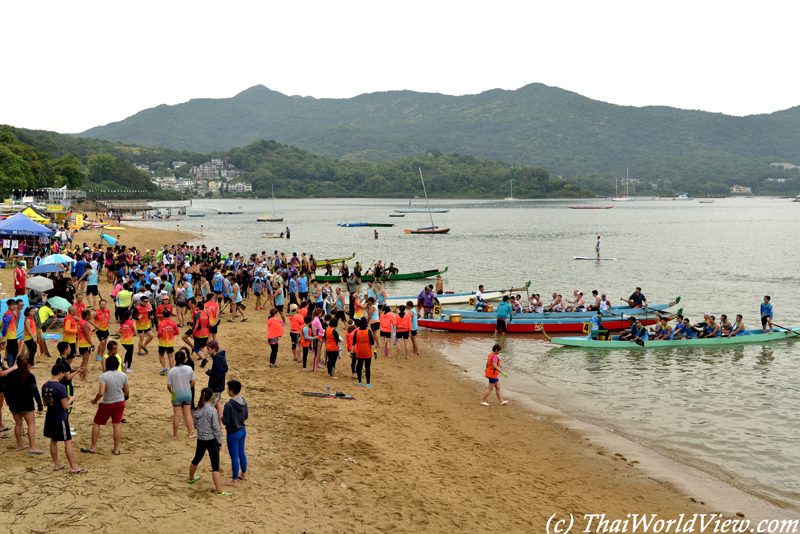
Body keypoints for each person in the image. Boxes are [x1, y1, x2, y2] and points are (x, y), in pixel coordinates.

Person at [41, 363, 85, 473]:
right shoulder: (61, 387)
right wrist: (71, 399)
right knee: (68, 441)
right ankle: (73, 467)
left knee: (53, 441)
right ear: (60, 373)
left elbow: (45, 403)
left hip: (50, 417)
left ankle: (57, 464)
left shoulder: (45, 385)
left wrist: (65, 398)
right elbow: (65, 406)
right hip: (60, 418)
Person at [187, 387, 230, 496]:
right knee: (215, 465)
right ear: (211, 397)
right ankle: (219, 491)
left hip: (201, 439)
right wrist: (219, 442)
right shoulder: (212, 410)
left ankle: (191, 478)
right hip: (211, 440)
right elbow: (216, 428)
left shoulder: (197, 410)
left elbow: (196, 426)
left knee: (196, 458)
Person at [82, 356, 128, 455]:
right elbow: (127, 392)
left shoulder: (104, 376)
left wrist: (95, 400)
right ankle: (116, 449)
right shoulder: (123, 375)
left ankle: (93, 447)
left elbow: (101, 392)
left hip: (108, 403)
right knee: (116, 425)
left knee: (97, 422)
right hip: (120, 403)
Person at [5, 355, 45, 453]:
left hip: (14, 404)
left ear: (16, 363)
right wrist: (40, 405)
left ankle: (20, 445)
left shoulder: (10, 375)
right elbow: (35, 392)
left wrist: (8, 401)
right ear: (28, 364)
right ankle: (32, 447)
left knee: (18, 424)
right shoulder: (30, 377)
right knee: (31, 424)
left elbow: (6, 390)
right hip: (26, 404)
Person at [222, 380, 248, 487]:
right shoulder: (243, 401)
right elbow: (246, 416)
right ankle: (243, 475)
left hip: (233, 432)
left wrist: (221, 417)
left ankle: (234, 480)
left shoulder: (228, 405)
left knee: (234, 456)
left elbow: (225, 421)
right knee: (241, 452)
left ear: (231, 391)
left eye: (228, 389)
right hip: (242, 430)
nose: (227, 390)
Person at [167, 351, 196, 439]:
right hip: (187, 393)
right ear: (184, 359)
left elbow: (169, 386)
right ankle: (190, 434)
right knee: (187, 414)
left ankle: (175, 435)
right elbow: (193, 381)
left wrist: (171, 391)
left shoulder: (172, 371)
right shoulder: (189, 368)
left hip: (177, 395)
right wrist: (188, 387)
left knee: (176, 415)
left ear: (175, 359)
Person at [204, 340, 227, 427]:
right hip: (220, 386)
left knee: (212, 406)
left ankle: (215, 426)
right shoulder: (222, 357)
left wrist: (208, 372)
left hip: (215, 387)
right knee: (218, 403)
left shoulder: (217, 360)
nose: (207, 351)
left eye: (209, 349)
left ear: (214, 349)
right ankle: (219, 426)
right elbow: (225, 369)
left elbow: (217, 375)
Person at [352, 317, 376, 387]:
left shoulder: (357, 331)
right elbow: (372, 343)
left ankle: (360, 382)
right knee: (367, 368)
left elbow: (353, 343)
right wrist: (375, 352)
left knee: (359, 367)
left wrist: (351, 352)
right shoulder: (368, 331)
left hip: (359, 352)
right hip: (367, 353)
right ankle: (368, 383)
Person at [157, 309, 179, 375]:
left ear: (163, 315)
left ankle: (164, 368)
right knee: (170, 357)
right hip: (170, 342)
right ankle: (172, 369)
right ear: (169, 315)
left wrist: (158, 336)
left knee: (161, 355)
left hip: (162, 342)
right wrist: (171, 333)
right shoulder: (174, 323)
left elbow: (160, 333)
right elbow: (177, 332)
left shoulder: (160, 323)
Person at [93, 299, 111, 366]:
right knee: (102, 342)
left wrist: (109, 322)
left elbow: (110, 316)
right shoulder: (96, 312)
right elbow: (89, 319)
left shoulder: (108, 310)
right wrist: (95, 325)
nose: (103, 305)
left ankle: (102, 354)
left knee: (105, 341)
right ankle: (97, 355)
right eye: (102, 304)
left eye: (104, 304)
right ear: (99, 305)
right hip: (99, 329)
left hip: (105, 328)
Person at [3, 299, 20, 366]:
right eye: (13, 305)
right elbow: (4, 326)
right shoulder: (8, 315)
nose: (15, 306)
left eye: (15, 304)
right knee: (10, 352)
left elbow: (2, 323)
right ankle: (10, 367)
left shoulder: (12, 314)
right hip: (9, 337)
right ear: (9, 306)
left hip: (13, 336)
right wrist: (4, 336)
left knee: (15, 351)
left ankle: (11, 366)